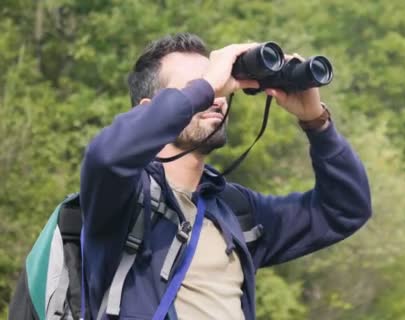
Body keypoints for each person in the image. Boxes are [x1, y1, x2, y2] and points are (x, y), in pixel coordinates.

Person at [80, 32, 372, 320]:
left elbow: (345, 209)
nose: (216, 99)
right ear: (150, 111)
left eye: (219, 90)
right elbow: (106, 156)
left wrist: (316, 122)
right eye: (196, 90)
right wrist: (207, 86)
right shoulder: (120, 197)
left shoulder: (234, 211)